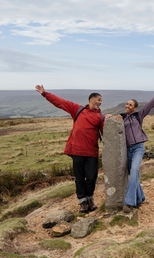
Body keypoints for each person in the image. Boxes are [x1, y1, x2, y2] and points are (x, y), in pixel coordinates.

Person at [35, 84, 109, 213]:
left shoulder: (101, 117)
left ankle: (90, 199)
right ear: (91, 99)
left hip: (92, 152)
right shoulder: (77, 109)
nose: (100, 103)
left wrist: (112, 121)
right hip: (77, 151)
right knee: (79, 178)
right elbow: (61, 102)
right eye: (99, 100)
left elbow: (106, 133)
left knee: (91, 177)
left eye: (101, 101)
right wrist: (45, 94)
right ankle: (83, 202)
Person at [117, 87, 154, 213]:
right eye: (127, 104)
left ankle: (129, 202)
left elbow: (150, 105)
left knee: (135, 170)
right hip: (128, 150)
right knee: (133, 174)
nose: (127, 106)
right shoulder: (122, 118)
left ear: (134, 108)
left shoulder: (138, 116)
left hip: (138, 148)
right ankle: (140, 197)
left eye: (130, 105)